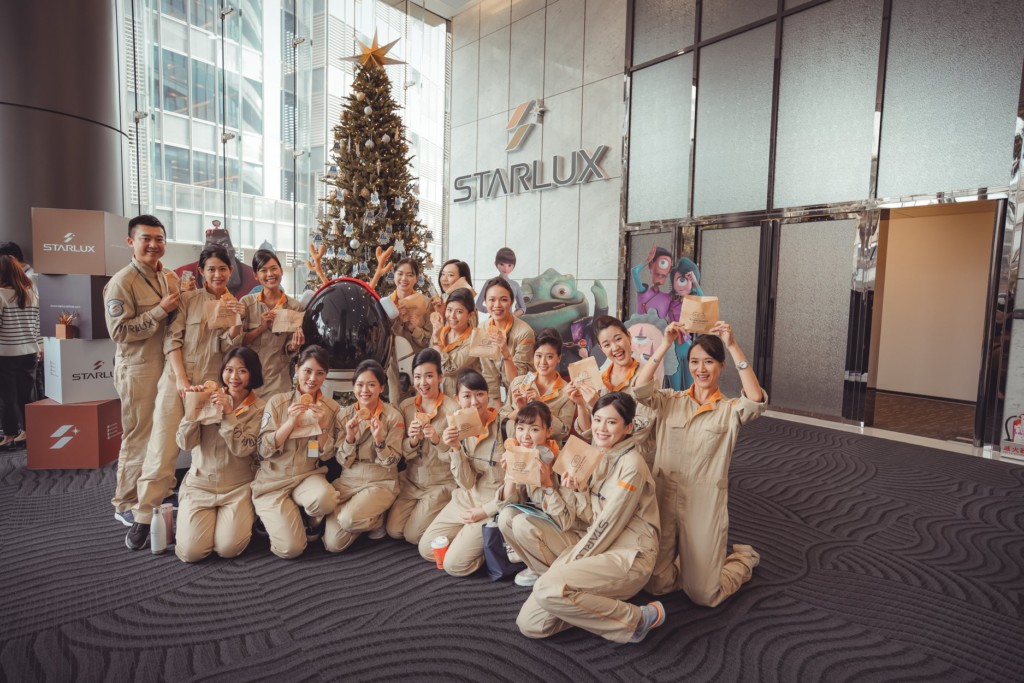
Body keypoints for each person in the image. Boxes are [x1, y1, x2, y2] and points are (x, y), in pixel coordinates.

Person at [634, 320, 766, 607]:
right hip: (664, 496)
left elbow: (755, 399)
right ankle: (692, 562)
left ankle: (742, 560)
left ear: (721, 366)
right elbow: (640, 389)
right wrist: (665, 343)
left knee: (705, 595)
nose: (701, 369)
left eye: (709, 362)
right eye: (694, 361)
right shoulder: (670, 400)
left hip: (703, 503)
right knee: (656, 585)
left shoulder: (729, 411)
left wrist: (732, 345)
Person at [516, 392, 664, 643]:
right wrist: (580, 490)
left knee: (547, 588)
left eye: (611, 422)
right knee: (531, 625)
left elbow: (607, 526)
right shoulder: (596, 453)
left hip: (629, 555)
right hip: (598, 543)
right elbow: (591, 516)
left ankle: (638, 619)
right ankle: (587, 597)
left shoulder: (632, 465)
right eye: (597, 420)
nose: (601, 428)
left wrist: (568, 564)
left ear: (628, 427)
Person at [125, 244, 246, 550]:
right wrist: (180, 378)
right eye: (211, 269)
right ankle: (143, 516)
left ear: (230, 271)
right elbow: (172, 340)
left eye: (222, 269)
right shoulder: (188, 299)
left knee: (206, 448)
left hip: (211, 385)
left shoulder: (234, 305)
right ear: (201, 272)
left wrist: (236, 323)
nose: (217, 274)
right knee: (162, 448)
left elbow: (229, 349)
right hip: (176, 380)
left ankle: (198, 506)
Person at [104, 215, 179, 526]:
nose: (153, 245)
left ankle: (159, 491)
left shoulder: (168, 277)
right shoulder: (123, 282)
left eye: (159, 239)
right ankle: (125, 501)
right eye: (146, 238)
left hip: (166, 367)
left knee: (164, 433)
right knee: (139, 436)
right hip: (138, 369)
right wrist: (160, 311)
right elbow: (119, 332)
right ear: (131, 242)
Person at [174, 347, 265, 562]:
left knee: (228, 549)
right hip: (200, 485)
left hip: (238, 487)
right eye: (229, 370)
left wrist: (229, 414)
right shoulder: (207, 397)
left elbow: (244, 449)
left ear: (252, 373)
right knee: (191, 553)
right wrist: (194, 406)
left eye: (242, 371)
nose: (234, 377)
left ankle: (245, 517)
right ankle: (188, 517)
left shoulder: (260, 408)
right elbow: (185, 443)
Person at [252, 345, 342, 558]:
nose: (312, 379)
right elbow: (262, 449)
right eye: (307, 371)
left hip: (307, 475)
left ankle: (307, 517)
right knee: (291, 549)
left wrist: (322, 427)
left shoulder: (331, 409)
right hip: (273, 481)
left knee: (326, 499)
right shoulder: (278, 402)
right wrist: (290, 423)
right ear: (296, 369)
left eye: (320, 373)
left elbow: (324, 455)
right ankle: (274, 516)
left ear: (326, 375)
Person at [418, 369, 503, 576]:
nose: (474, 402)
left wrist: (487, 510)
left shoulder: (505, 426)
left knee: (454, 566)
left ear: (488, 395)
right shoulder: (458, 429)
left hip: (494, 504)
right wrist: (456, 448)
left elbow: (517, 483)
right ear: (457, 399)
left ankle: (491, 547)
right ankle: (468, 544)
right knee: (427, 548)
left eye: (480, 394)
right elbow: (466, 483)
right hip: (467, 497)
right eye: (467, 396)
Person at [324, 360, 405, 552]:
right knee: (333, 544)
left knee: (347, 520)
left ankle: (376, 518)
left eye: (371, 385)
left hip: (381, 480)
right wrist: (350, 438)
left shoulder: (393, 416)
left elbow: (393, 462)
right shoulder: (344, 415)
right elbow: (341, 460)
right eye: (359, 385)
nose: (364, 390)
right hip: (349, 479)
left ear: (381, 388)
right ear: (353, 387)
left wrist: (379, 441)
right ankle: (368, 516)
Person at [496, 402, 579, 588]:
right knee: (506, 516)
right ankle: (536, 567)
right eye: (520, 428)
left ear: (548, 431)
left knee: (521, 522)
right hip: (543, 525)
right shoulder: (527, 456)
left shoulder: (564, 462)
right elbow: (505, 507)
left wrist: (547, 484)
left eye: (534, 429)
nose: (525, 436)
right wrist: (511, 474)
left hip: (570, 534)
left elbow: (566, 522)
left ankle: (551, 577)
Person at [386, 348, 459, 545]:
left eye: (429, 376)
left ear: (440, 377)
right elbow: (399, 450)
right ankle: (428, 514)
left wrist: (436, 440)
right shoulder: (406, 407)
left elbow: (458, 454)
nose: (422, 383)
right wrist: (412, 441)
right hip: (412, 482)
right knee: (393, 530)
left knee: (412, 535)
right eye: (417, 377)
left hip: (440, 483)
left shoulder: (452, 410)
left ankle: (447, 512)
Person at [569, 316, 658, 467]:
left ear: (628, 336)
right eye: (607, 344)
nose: (615, 347)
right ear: (601, 349)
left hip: (631, 463)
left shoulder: (645, 379)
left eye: (618, 339)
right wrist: (581, 404)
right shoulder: (598, 380)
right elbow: (588, 432)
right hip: (600, 464)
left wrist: (597, 405)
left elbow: (641, 428)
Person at [240, 249, 305, 399]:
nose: (270, 274)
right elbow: (238, 342)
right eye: (263, 270)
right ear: (256, 275)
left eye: (274, 268)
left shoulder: (295, 307)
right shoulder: (246, 303)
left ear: (281, 271)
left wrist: (294, 345)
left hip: (278, 381)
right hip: (249, 379)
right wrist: (261, 328)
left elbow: (289, 346)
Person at [498, 328, 575, 447]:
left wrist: (540, 405)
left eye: (549, 357)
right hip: (517, 450)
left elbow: (563, 432)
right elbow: (502, 419)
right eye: (538, 356)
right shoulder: (519, 382)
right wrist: (520, 410)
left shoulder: (567, 391)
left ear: (559, 358)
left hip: (548, 453)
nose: (543, 362)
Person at [0, 255, 40, 449]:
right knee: (27, 395)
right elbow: (38, 324)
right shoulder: (31, 293)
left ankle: (9, 435)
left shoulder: (1, 294)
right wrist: (40, 346)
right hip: (30, 352)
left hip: (6, 353)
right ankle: (27, 432)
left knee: (7, 397)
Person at [478, 277, 535, 406]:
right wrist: (494, 401)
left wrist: (506, 354)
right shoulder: (482, 328)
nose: (497, 305)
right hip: (495, 395)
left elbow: (518, 380)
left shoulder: (525, 332)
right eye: (492, 300)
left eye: (503, 300)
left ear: (511, 302)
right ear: (485, 302)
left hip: (523, 394)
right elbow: (488, 372)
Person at [384, 257, 433, 402]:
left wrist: (414, 329)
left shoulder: (425, 303)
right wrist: (397, 321)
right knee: (397, 408)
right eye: (400, 273)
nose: (404, 278)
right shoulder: (386, 304)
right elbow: (382, 340)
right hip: (395, 370)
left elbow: (431, 341)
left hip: (421, 368)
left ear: (416, 278)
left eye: (410, 274)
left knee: (422, 408)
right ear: (394, 275)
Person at [431, 287, 480, 396]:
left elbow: (448, 369)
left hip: (462, 398)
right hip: (437, 396)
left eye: (459, 312)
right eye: (449, 310)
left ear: (470, 315)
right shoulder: (441, 331)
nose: (452, 316)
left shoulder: (475, 340)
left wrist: (436, 339)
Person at [665, 257, 704, 391]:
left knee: (690, 386)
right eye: (679, 280)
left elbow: (704, 302)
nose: (681, 285)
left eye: (685, 280)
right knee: (674, 387)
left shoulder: (694, 301)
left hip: (688, 344)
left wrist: (695, 282)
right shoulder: (671, 302)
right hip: (672, 346)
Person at [476, 247, 526, 316]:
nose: (506, 268)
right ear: (496, 264)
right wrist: (492, 311)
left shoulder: (515, 285)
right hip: (493, 320)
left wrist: (512, 316)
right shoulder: (489, 283)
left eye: (509, 265)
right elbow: (478, 305)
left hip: (509, 320)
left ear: (513, 266)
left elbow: (523, 308)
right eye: (502, 264)